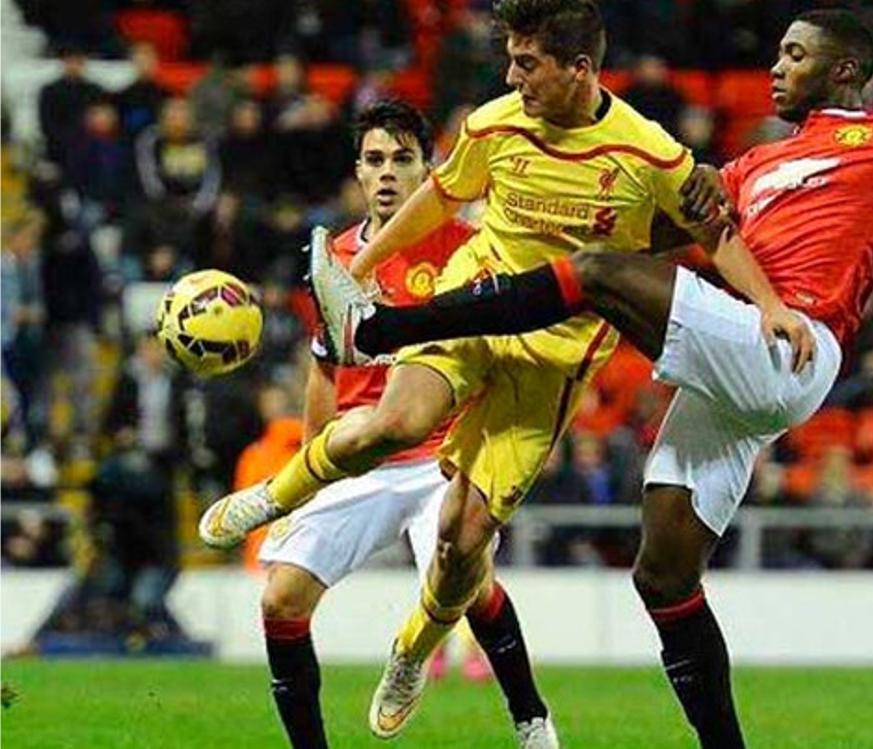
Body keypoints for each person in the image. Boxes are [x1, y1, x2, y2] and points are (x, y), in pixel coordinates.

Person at [211, 9, 873, 748]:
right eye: (776, 52)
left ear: (845, 68)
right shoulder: (753, 166)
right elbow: (674, 237)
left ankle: (379, 320)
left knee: (599, 276)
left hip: (794, 344)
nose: (775, 66)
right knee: (662, 569)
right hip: (738, 361)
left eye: (794, 54)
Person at [199, 0, 759, 741]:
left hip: (551, 360)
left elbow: (714, 229)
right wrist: (359, 266)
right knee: (398, 419)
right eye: (512, 60)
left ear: (579, 69)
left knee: (464, 545)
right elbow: (445, 195)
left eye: (527, 64)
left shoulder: (649, 154)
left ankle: (413, 649)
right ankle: (273, 494)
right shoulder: (495, 125)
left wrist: (772, 307)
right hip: (474, 308)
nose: (511, 75)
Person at [246, 100, 558, 749]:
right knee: (280, 600)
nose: (387, 172)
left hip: (444, 454)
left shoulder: (469, 249)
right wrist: (309, 474)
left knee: (467, 579)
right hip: (360, 455)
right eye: (375, 160)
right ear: (358, 172)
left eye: (402, 158)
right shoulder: (333, 258)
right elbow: (322, 373)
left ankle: (532, 720)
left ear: (428, 168)